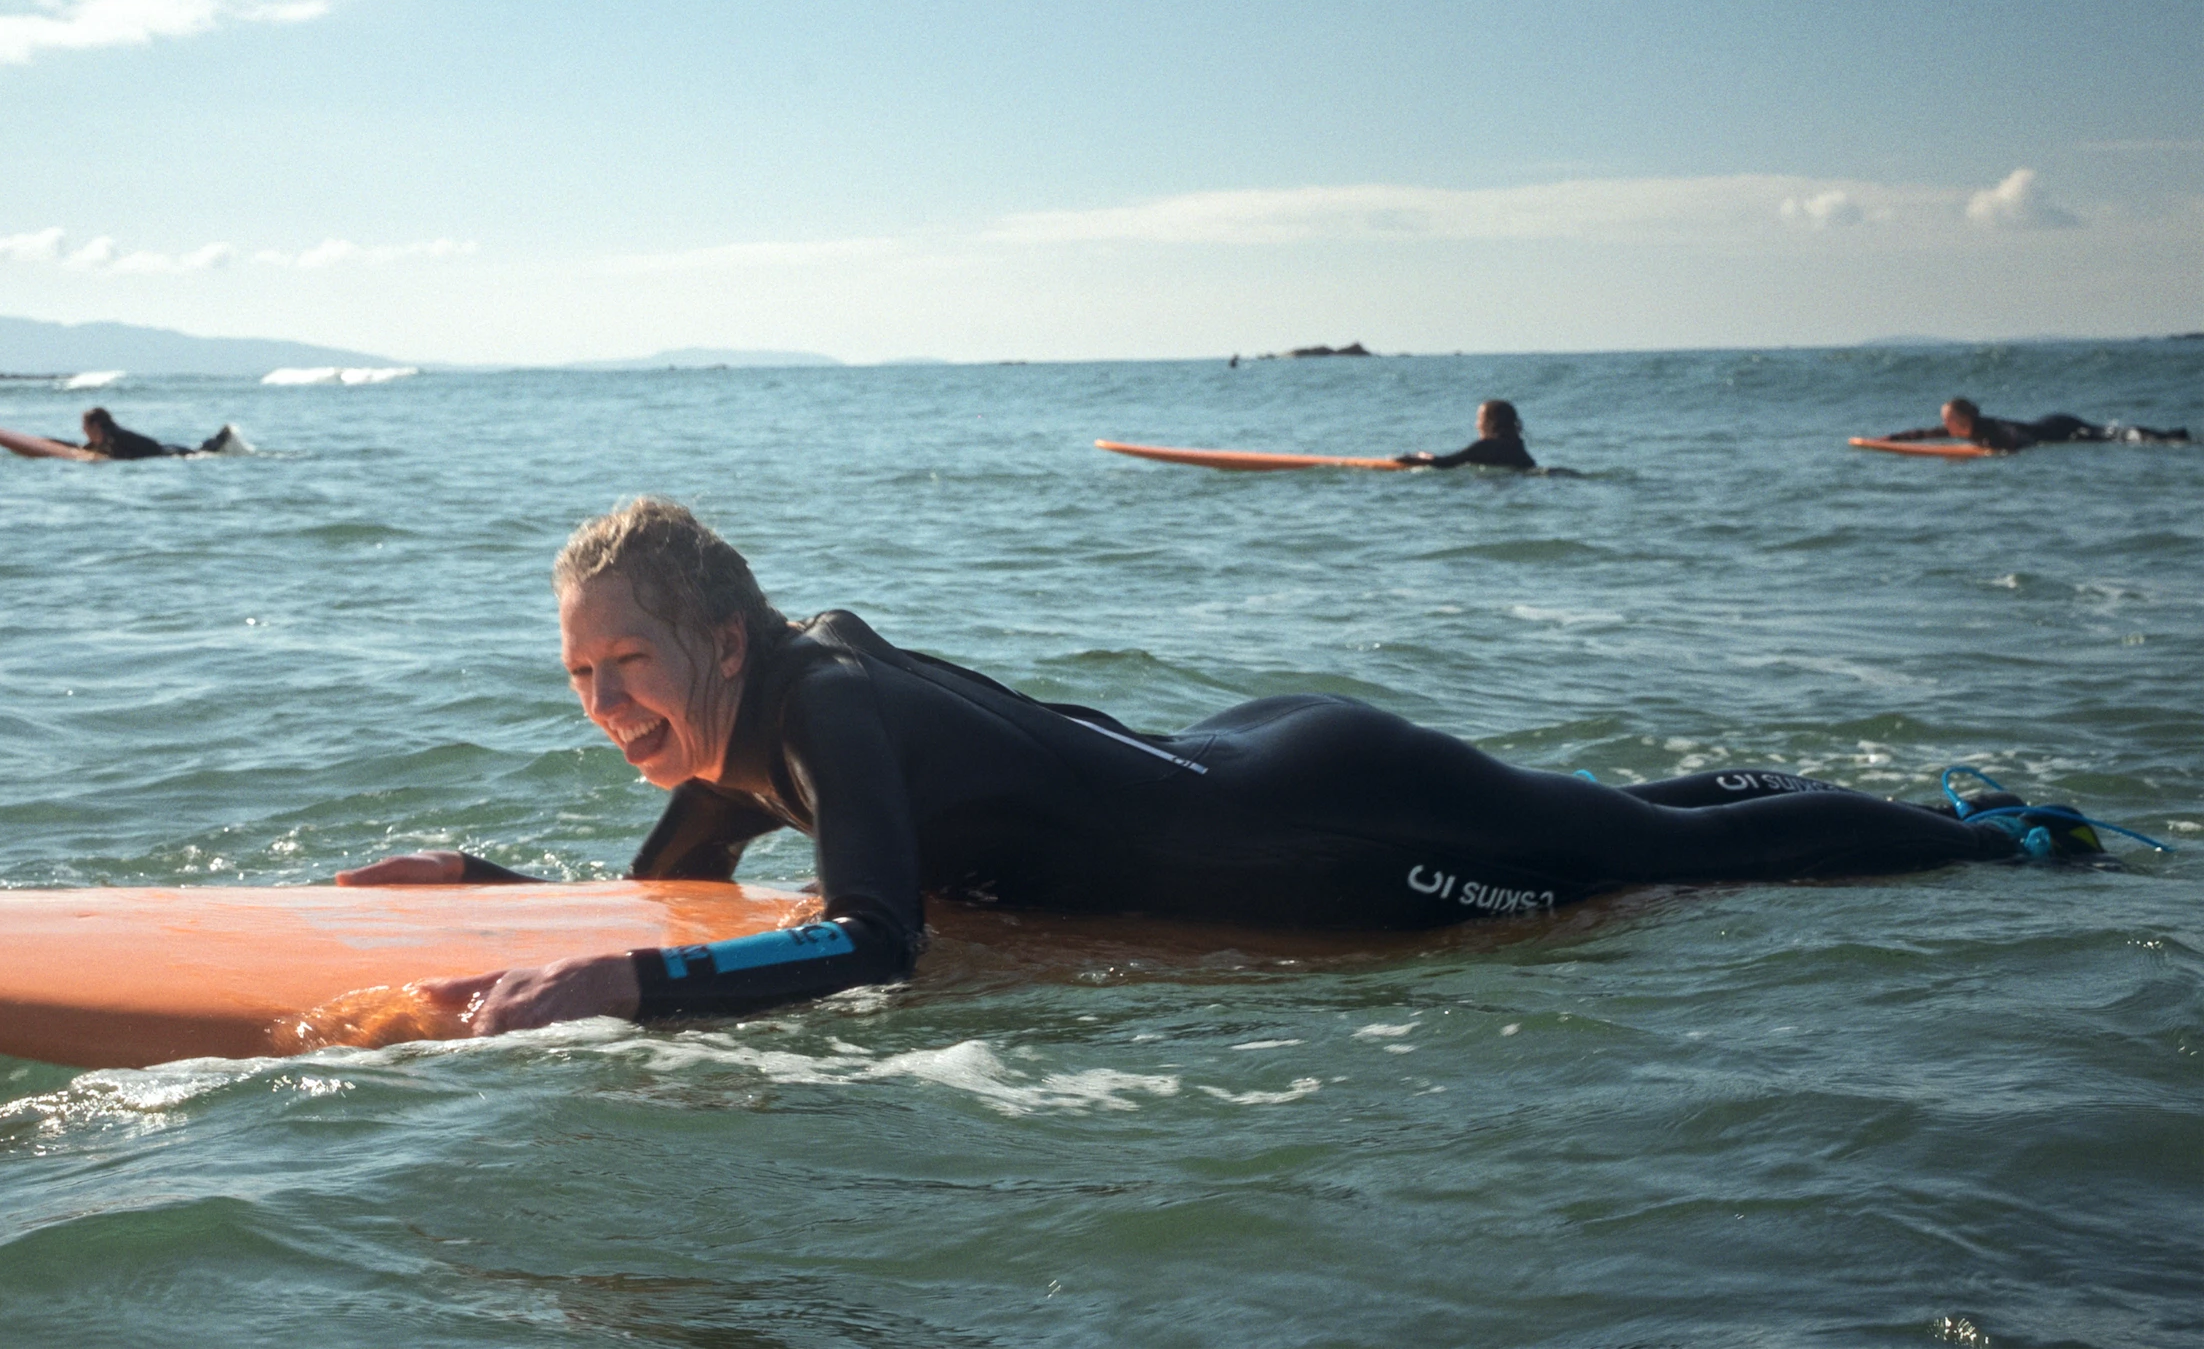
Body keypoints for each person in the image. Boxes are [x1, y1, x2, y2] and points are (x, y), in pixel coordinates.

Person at [338, 498, 2108, 1036]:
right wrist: (484, 886)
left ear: (717, 638)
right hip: (1239, 760)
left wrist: (618, 992)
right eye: (578, 676)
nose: (604, 702)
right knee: (1625, 824)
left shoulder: (821, 715)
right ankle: (1769, 785)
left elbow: (877, 939)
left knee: (1656, 867)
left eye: (623, 664)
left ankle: (1988, 835)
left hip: (1316, 833)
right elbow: (702, 883)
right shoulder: (762, 722)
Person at [1887, 397, 2188, 453]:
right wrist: (1888, 439)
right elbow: (1924, 434)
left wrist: (2002, 450)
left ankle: (2174, 438)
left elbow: (2018, 438)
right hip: (2051, 428)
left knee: (2117, 436)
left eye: (1945, 419)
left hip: (2063, 429)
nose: (1942, 425)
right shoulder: (1965, 430)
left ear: (1960, 420)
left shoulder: (1989, 429)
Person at [1397, 399, 1536, 470]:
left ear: (1491, 422)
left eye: (1479, 419)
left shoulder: (1487, 446)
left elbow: (1446, 463)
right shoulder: (1516, 445)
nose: (1477, 425)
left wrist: (1419, 457)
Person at [69, 406, 246, 459]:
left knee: (201, 452)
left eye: (85, 425)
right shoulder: (110, 436)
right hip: (163, 451)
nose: (83, 429)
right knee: (199, 450)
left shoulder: (114, 437)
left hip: (167, 453)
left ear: (97, 425)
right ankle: (221, 438)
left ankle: (223, 436)